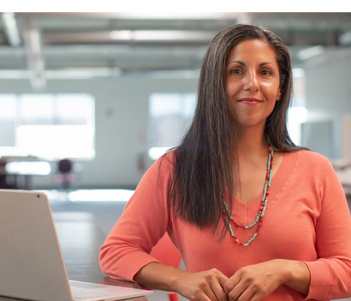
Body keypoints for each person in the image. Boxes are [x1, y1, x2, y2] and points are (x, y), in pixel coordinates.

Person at [99, 23, 351, 301]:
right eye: (236, 71)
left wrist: (287, 270)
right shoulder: (174, 169)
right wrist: (180, 279)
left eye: (265, 72)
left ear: (280, 89)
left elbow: (347, 270)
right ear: (214, 84)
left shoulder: (316, 170)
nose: (252, 83)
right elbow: (116, 251)